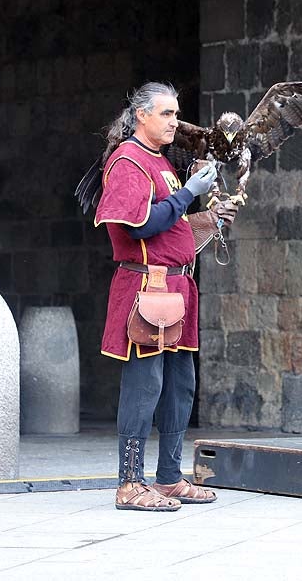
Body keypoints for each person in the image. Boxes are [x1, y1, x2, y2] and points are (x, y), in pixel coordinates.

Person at [93, 82, 237, 512]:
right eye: (167, 114)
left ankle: (170, 477)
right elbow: (140, 226)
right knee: (145, 383)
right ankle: (129, 483)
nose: (176, 122)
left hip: (178, 285)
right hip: (148, 287)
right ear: (141, 116)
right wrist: (189, 192)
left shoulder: (161, 163)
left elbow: (170, 225)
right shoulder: (127, 161)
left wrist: (206, 217)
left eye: (176, 113)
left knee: (179, 383)